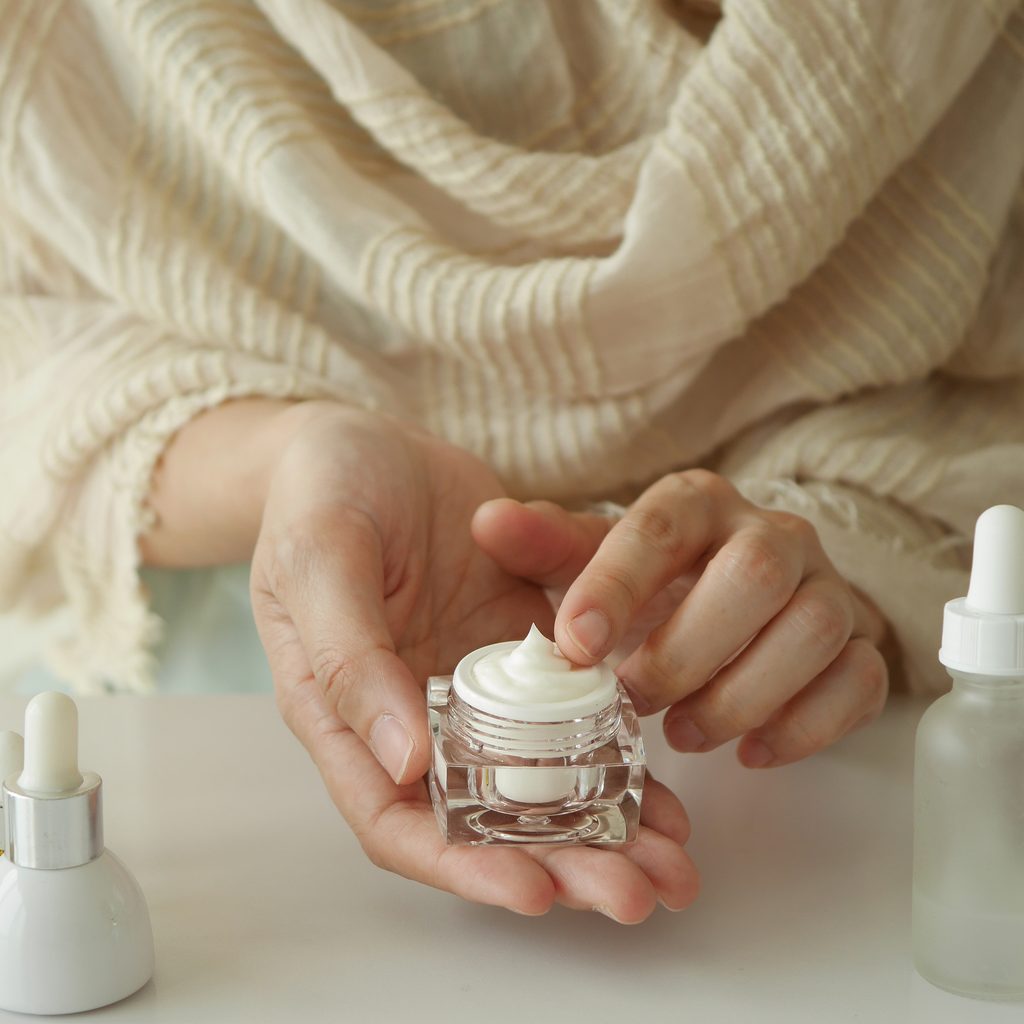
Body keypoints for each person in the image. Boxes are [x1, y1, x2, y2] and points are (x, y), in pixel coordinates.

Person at [1, 0, 1022, 922]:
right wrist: (288, 457)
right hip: (211, 717)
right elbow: (28, 353)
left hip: (811, 768)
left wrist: (840, 559)